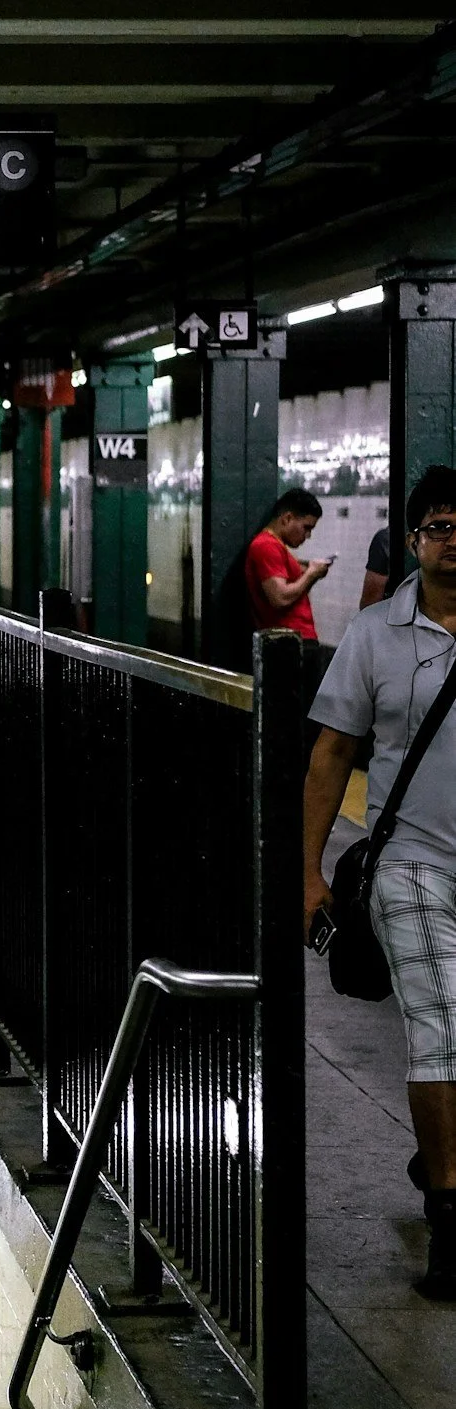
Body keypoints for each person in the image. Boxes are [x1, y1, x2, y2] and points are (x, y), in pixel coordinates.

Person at [305, 466, 456, 1302]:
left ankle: (441, 1151)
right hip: (410, 861)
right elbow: (330, 755)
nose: (451, 540)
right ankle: (449, 1216)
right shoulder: (371, 634)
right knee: (439, 1027)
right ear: (410, 541)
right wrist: (305, 873)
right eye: (437, 526)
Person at [246, 486, 331, 723]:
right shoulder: (266, 546)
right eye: (306, 528)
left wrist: (306, 571)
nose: (307, 536)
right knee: (300, 720)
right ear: (287, 518)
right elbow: (280, 596)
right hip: (292, 645)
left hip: (296, 643)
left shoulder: (276, 547)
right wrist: (311, 574)